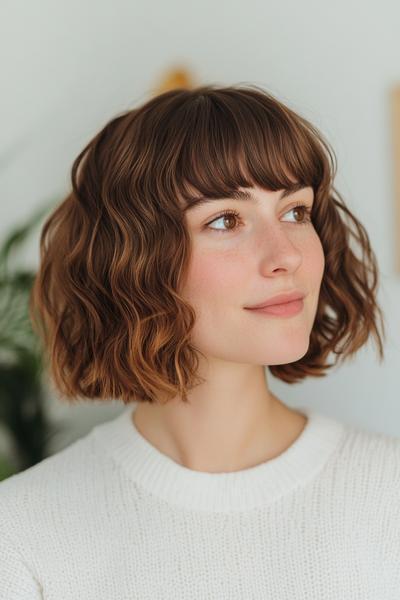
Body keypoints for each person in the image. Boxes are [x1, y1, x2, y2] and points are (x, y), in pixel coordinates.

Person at [0, 84, 398, 599]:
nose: (287, 256)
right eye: (226, 220)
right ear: (134, 262)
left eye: (296, 212)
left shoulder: (388, 495)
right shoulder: (24, 534)